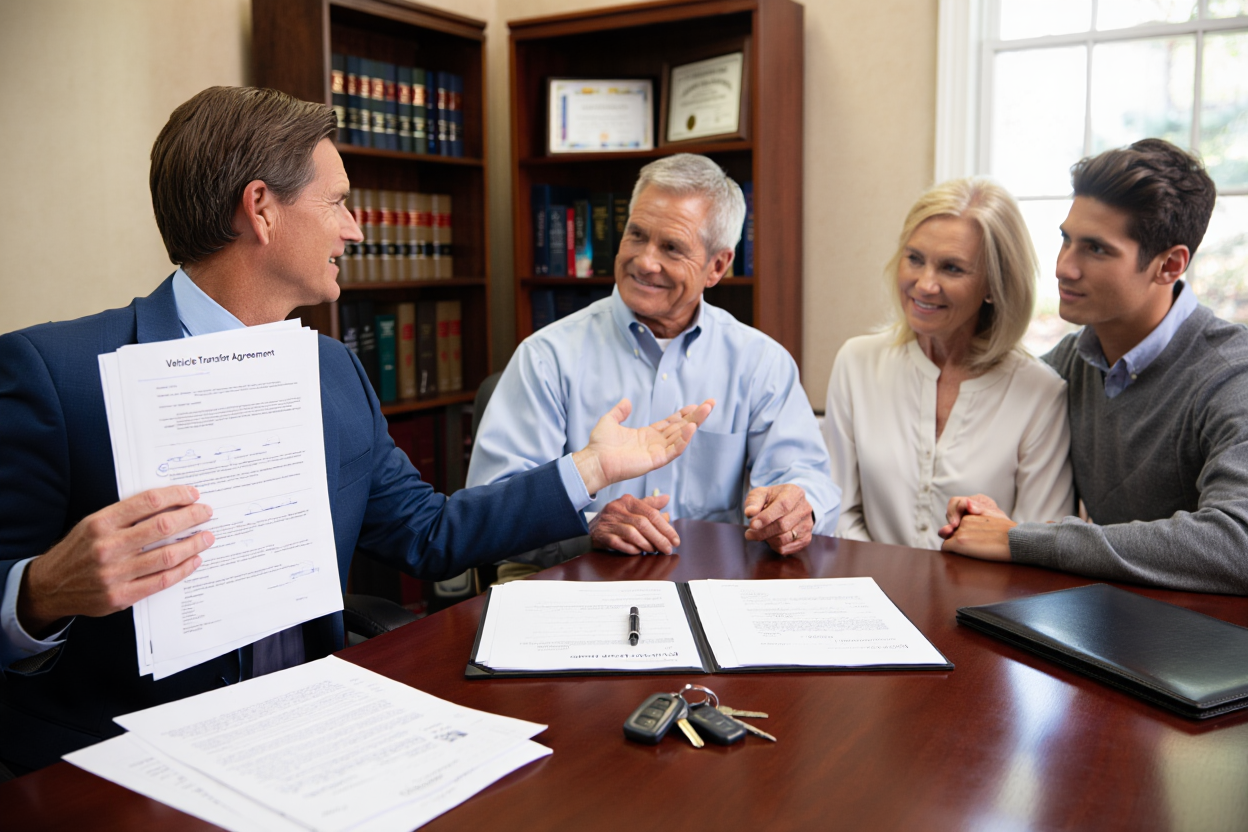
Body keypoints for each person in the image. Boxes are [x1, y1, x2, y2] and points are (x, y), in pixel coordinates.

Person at [0, 86, 714, 773]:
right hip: (125, 765)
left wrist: (590, 467)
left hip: (312, 739)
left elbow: (429, 535)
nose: (356, 228)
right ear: (261, 210)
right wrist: (40, 592)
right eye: (338, 202)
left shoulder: (333, 369)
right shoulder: (55, 374)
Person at [468, 154, 838, 568]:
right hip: (575, 588)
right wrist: (587, 526)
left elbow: (806, 479)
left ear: (717, 266)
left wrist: (793, 509)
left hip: (711, 587)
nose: (645, 261)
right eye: (637, 235)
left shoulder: (761, 363)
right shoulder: (546, 357)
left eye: (672, 247)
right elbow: (490, 511)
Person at [940, 138, 1248, 594]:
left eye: (1097, 250)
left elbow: (1237, 546)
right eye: (1066, 239)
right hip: (1114, 630)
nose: (1065, 267)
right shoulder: (1069, 362)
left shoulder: (1232, 376)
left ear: (1170, 265)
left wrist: (1025, 539)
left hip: (1214, 650)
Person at [823, 178, 1073, 550]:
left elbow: (1038, 542)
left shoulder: (1041, 392)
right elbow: (837, 510)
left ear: (994, 284)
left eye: (952, 269)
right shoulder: (856, 362)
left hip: (982, 605)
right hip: (866, 593)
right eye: (915, 259)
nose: (924, 284)